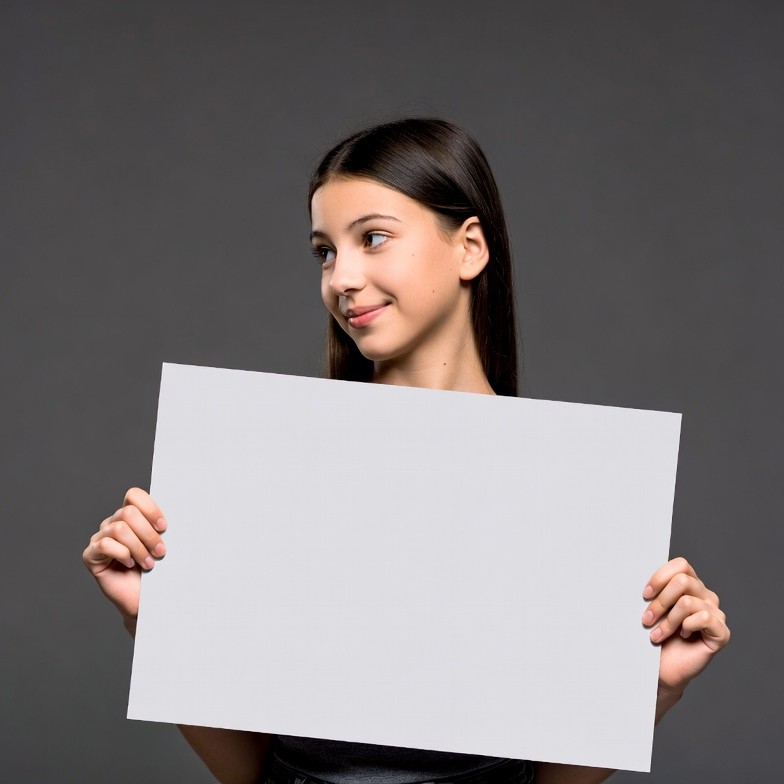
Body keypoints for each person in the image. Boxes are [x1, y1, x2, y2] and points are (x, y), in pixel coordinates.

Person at [82, 118, 730, 784]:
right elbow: (255, 773)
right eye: (325, 252)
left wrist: (654, 688)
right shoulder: (278, 473)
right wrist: (154, 623)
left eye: (374, 238)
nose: (342, 277)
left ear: (469, 248)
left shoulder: (563, 493)